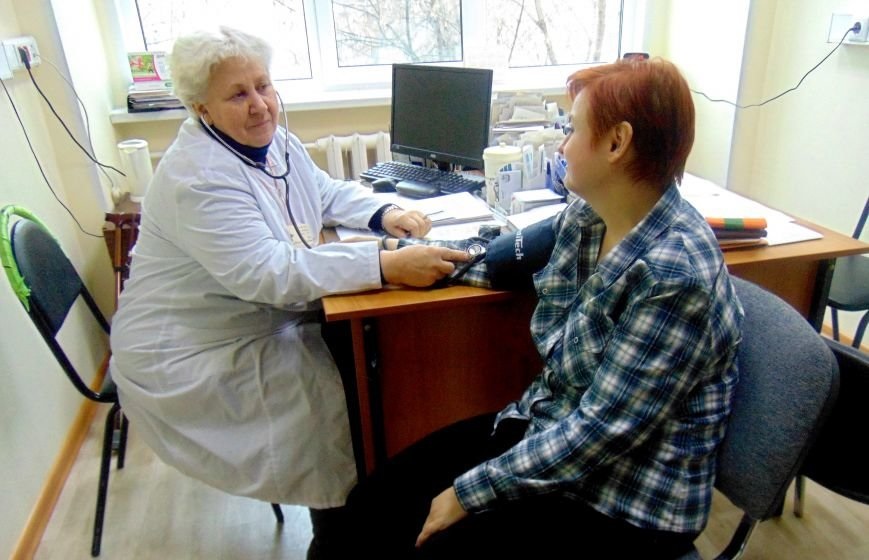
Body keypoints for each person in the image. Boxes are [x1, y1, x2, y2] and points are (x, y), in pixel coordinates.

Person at [346, 57, 745, 559]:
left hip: (623, 504)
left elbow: (598, 432)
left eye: (571, 129)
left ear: (617, 143)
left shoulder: (675, 276)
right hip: (548, 428)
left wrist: (467, 494)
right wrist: (397, 260)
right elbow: (497, 261)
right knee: (369, 508)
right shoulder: (591, 216)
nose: (561, 146)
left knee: (422, 541)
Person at [108, 26, 470, 558]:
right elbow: (266, 273)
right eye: (238, 94)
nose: (259, 105)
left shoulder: (271, 140)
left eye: (263, 85)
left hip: (249, 315)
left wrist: (382, 212)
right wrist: (384, 263)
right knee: (336, 393)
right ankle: (340, 538)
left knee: (362, 357)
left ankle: (375, 500)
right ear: (201, 108)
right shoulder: (196, 177)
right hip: (193, 348)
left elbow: (320, 190)